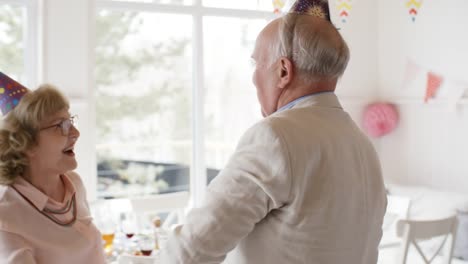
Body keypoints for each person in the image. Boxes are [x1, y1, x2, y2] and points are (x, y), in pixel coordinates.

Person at [162, 0, 387, 263]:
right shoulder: (361, 144)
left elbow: (191, 251)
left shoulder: (275, 138)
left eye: (256, 64)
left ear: (283, 71)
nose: (253, 78)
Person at [0, 72, 106, 263]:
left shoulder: (74, 183)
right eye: (60, 125)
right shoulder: (6, 214)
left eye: (70, 121)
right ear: (25, 143)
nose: (75, 133)